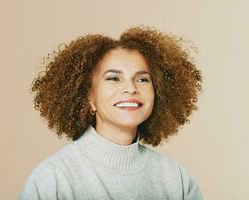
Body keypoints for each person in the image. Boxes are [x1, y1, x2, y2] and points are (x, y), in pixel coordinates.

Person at [19, 25, 203, 200]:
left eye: (142, 79)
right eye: (114, 78)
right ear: (88, 96)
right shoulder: (53, 179)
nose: (131, 88)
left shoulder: (176, 179)